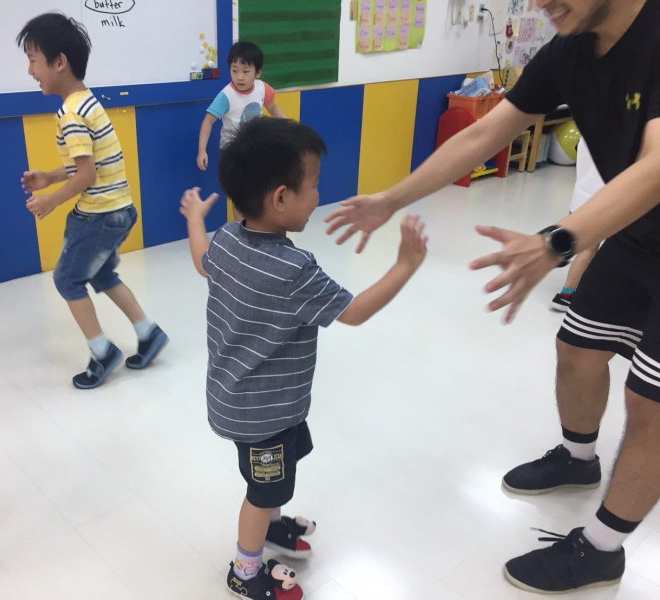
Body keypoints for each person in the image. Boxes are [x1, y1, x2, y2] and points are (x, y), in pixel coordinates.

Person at [324, 0, 660, 593]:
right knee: (577, 350)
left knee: (649, 403)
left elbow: (657, 167)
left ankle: (603, 549)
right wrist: (391, 200)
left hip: (644, 211)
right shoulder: (569, 51)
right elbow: (485, 131)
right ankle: (577, 459)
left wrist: (558, 240)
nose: (539, 3)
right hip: (639, 235)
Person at [181, 117, 427, 599]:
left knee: (272, 478)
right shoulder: (293, 269)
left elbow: (199, 260)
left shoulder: (226, 238)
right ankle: (245, 571)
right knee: (263, 490)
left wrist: (193, 218)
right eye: (313, 185)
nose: (318, 195)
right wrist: (404, 265)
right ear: (280, 197)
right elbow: (354, 312)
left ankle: (272, 525)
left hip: (245, 400)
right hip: (262, 414)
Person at [16, 13, 167, 389]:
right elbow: (85, 164)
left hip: (99, 215)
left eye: (33, 60)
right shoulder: (87, 103)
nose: (31, 71)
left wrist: (50, 200)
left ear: (59, 62)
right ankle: (148, 332)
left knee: (67, 279)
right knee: (101, 274)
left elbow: (86, 176)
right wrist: (49, 176)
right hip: (120, 209)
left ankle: (102, 351)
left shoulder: (70, 113)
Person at [196, 41, 286, 172]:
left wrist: (290, 127)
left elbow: (273, 108)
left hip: (255, 145)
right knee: (236, 182)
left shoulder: (262, 88)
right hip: (232, 150)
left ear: (258, 72)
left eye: (245, 71)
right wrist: (202, 150)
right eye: (234, 71)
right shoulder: (226, 96)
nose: (239, 77)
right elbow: (208, 121)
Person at [549, 137, 604, 312]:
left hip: (581, 195)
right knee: (591, 249)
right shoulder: (618, 140)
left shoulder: (587, 136)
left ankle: (568, 292)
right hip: (603, 199)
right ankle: (566, 295)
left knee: (583, 247)